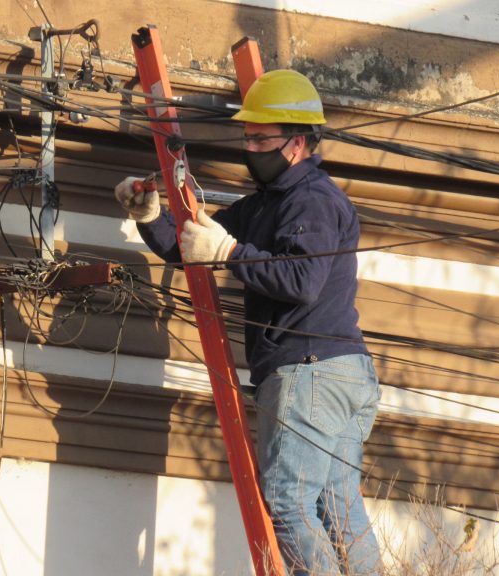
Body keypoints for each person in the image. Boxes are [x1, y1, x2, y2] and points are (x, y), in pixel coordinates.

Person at [114, 69, 381, 575]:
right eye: (247, 136)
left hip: (312, 371)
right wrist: (150, 215)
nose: (250, 146)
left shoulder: (313, 199)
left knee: (287, 503)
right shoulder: (267, 204)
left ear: (297, 143)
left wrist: (230, 251)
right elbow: (192, 245)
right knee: (336, 505)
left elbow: (301, 279)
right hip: (338, 372)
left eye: (261, 138)